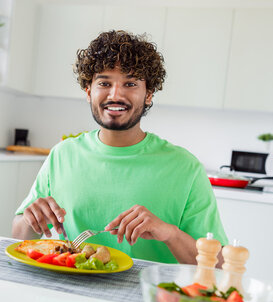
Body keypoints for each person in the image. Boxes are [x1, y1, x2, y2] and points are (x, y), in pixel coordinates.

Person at [12, 30, 227, 264]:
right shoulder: (63, 155)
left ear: (148, 95)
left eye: (130, 83)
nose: (115, 94)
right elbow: (19, 236)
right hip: (71, 289)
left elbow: (219, 263)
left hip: (149, 295)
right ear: (88, 91)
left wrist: (170, 234)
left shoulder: (185, 167)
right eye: (104, 82)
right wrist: (30, 219)